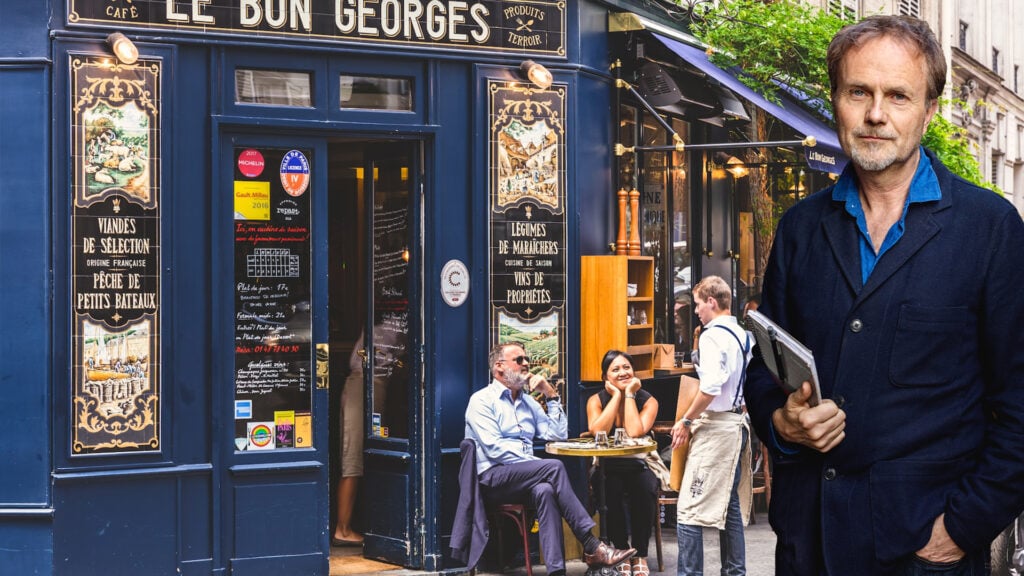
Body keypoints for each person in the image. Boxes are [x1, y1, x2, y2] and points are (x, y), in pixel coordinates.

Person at [742, 15, 1024, 576]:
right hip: (811, 548)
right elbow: (762, 372)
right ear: (835, 101)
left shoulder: (989, 227)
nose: (876, 114)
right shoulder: (801, 227)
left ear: (929, 110)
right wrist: (782, 424)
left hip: (923, 552)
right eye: (858, 92)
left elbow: (1018, 402)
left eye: (898, 95)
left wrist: (961, 529)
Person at [461, 342, 636, 576]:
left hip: (523, 478)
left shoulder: (529, 402)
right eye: (519, 360)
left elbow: (557, 434)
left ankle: (556, 572)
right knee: (551, 468)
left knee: (545, 490)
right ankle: (592, 544)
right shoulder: (481, 401)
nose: (526, 364)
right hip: (493, 479)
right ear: (499, 367)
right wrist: (534, 464)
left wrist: (551, 395)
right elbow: (494, 449)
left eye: (526, 359)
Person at [670, 275, 752, 576]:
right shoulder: (745, 336)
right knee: (727, 505)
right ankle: (735, 572)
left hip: (717, 428)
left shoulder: (711, 335)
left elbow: (711, 387)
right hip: (737, 424)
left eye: (697, 304)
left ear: (711, 302)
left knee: (688, 510)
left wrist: (686, 420)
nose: (696, 311)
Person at [586, 350, 660, 576]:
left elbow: (635, 431)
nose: (623, 372)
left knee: (646, 488)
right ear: (605, 377)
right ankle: (621, 551)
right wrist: (616, 397)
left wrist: (628, 395)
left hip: (638, 465)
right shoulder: (596, 400)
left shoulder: (648, 401)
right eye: (615, 369)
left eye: (626, 367)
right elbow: (598, 430)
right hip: (607, 466)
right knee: (610, 488)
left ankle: (640, 555)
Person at [332, 333, 365, 547]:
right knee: (352, 459)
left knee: (355, 459)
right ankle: (342, 529)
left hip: (365, 386)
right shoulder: (386, 325)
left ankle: (344, 527)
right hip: (361, 387)